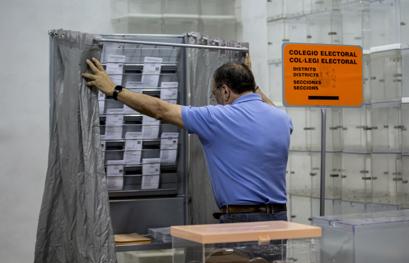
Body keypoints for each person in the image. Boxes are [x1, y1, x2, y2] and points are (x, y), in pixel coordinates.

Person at [82, 57, 292, 223]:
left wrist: (114, 90)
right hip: (280, 219)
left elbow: (160, 110)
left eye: (215, 94)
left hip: (242, 221)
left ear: (225, 91)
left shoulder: (217, 117)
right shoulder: (282, 119)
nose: (215, 100)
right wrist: (251, 82)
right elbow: (266, 105)